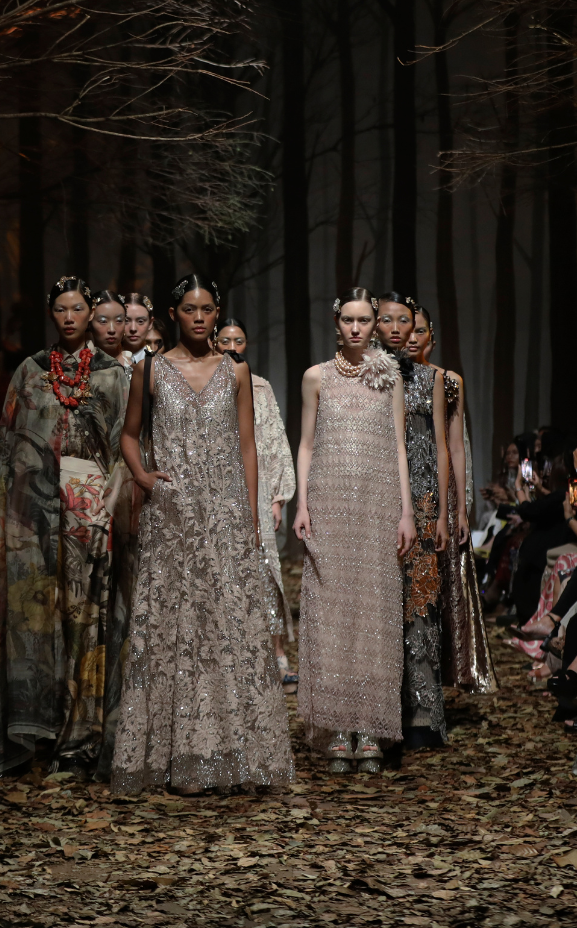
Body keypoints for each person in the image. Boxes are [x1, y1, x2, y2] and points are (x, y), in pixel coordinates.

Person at [111, 274, 293, 795]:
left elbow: (247, 446)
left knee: (226, 629)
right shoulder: (149, 369)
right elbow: (128, 435)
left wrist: (250, 516)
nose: (199, 317)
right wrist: (143, 476)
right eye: (190, 309)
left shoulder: (236, 370)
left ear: (217, 313)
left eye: (208, 309)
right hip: (170, 519)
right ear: (173, 314)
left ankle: (233, 754)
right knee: (173, 631)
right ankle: (173, 756)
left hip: (225, 515)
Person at [0, 276, 129, 777]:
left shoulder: (113, 375)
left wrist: (108, 509)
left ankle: (81, 737)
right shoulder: (29, 372)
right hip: (31, 514)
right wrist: (6, 517)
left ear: (91, 313)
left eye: (78, 309)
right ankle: (38, 727)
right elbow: (8, 445)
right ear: (51, 314)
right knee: (34, 617)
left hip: (88, 512)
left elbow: (126, 448)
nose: (69, 318)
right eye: (60, 309)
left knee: (83, 618)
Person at [294, 287, 417, 775]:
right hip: (328, 504)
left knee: (374, 612)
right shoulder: (316, 377)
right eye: (348, 319)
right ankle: (336, 727)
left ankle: (368, 727)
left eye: (365, 320)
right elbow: (306, 444)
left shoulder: (390, 376)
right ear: (336, 322)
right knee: (332, 611)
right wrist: (303, 503)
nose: (356, 328)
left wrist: (406, 513)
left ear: (374, 324)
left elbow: (400, 446)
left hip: (377, 505)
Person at [410, 306, 497, 695]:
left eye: (421, 330)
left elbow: (458, 447)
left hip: (440, 489)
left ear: (432, 335)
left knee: (444, 577)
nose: (413, 337)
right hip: (401, 486)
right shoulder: (387, 379)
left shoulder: (448, 381)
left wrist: (462, 508)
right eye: (407, 329)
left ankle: (443, 672)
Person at [376, 292, 450, 748]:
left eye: (406, 321)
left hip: (421, 502)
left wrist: (442, 512)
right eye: (388, 320)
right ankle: (381, 714)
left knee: (421, 603)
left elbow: (441, 445)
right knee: (381, 603)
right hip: (377, 499)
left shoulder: (432, 378)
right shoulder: (366, 377)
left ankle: (422, 715)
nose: (398, 329)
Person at [216, 317, 297, 691]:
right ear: (215, 343)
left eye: (238, 340)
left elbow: (274, 440)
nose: (232, 346)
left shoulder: (260, 386)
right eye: (225, 340)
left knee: (266, 571)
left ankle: (277, 656)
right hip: (217, 488)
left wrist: (278, 498)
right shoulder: (202, 386)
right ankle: (231, 658)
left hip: (258, 488)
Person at [90, 290, 132, 377]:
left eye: (119, 321)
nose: (112, 330)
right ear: (90, 323)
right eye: (103, 321)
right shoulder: (79, 366)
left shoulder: (135, 366)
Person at [123, 293, 155, 363]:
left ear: (150, 323)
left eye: (140, 321)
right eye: (126, 321)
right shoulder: (105, 361)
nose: (133, 328)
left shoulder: (158, 363)